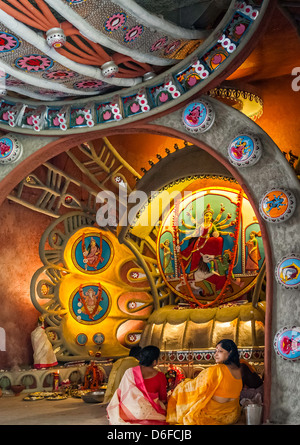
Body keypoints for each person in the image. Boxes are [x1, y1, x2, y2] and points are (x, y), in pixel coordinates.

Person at [166, 339, 243, 425]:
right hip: (232, 416)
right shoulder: (239, 370)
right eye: (215, 351)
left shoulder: (217, 370)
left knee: (188, 407)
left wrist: (180, 386)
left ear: (230, 352)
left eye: (220, 351)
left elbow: (195, 388)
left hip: (213, 416)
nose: (216, 354)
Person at [106, 345, 168, 425]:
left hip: (130, 412)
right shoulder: (160, 376)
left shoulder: (129, 372)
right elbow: (163, 399)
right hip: (152, 413)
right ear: (154, 361)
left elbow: (122, 394)